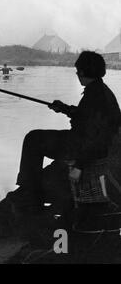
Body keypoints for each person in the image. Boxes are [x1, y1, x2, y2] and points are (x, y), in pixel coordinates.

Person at [8, 51, 121, 215]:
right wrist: (64, 108)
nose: (77, 74)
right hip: (84, 141)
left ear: (82, 72)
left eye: (78, 71)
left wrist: (79, 166)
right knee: (36, 138)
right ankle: (29, 189)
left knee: (33, 139)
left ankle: (28, 192)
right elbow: (87, 118)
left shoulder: (96, 95)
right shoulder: (100, 91)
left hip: (82, 146)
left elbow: (94, 137)